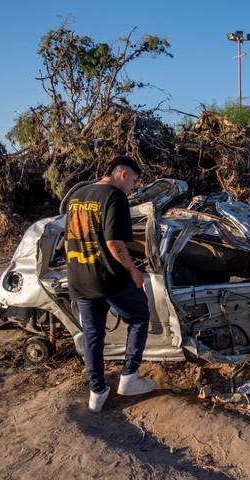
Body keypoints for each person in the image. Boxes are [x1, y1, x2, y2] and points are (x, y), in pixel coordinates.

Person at [65, 155, 157, 413]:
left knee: (93, 336)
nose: (132, 188)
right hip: (107, 276)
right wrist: (134, 271)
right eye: (134, 182)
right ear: (124, 174)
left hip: (79, 277)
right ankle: (129, 378)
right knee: (139, 317)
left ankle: (97, 391)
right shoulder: (114, 196)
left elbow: (69, 238)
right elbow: (114, 244)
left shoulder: (77, 195)